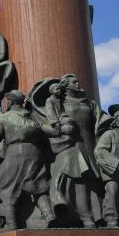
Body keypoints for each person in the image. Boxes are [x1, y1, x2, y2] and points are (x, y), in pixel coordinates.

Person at [0, 90, 55, 231]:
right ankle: (49, 216)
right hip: (35, 153)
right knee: (38, 185)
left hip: (15, 153)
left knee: (3, 186)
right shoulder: (32, 117)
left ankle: (11, 223)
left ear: (11, 102)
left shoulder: (4, 118)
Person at [44, 75, 110, 227]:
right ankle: (86, 218)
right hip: (72, 146)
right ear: (66, 86)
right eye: (74, 82)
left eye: (78, 81)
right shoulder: (59, 102)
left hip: (92, 145)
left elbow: (100, 121)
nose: (78, 83)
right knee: (80, 183)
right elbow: (53, 123)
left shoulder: (89, 102)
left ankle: (101, 215)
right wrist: (60, 129)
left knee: (95, 182)